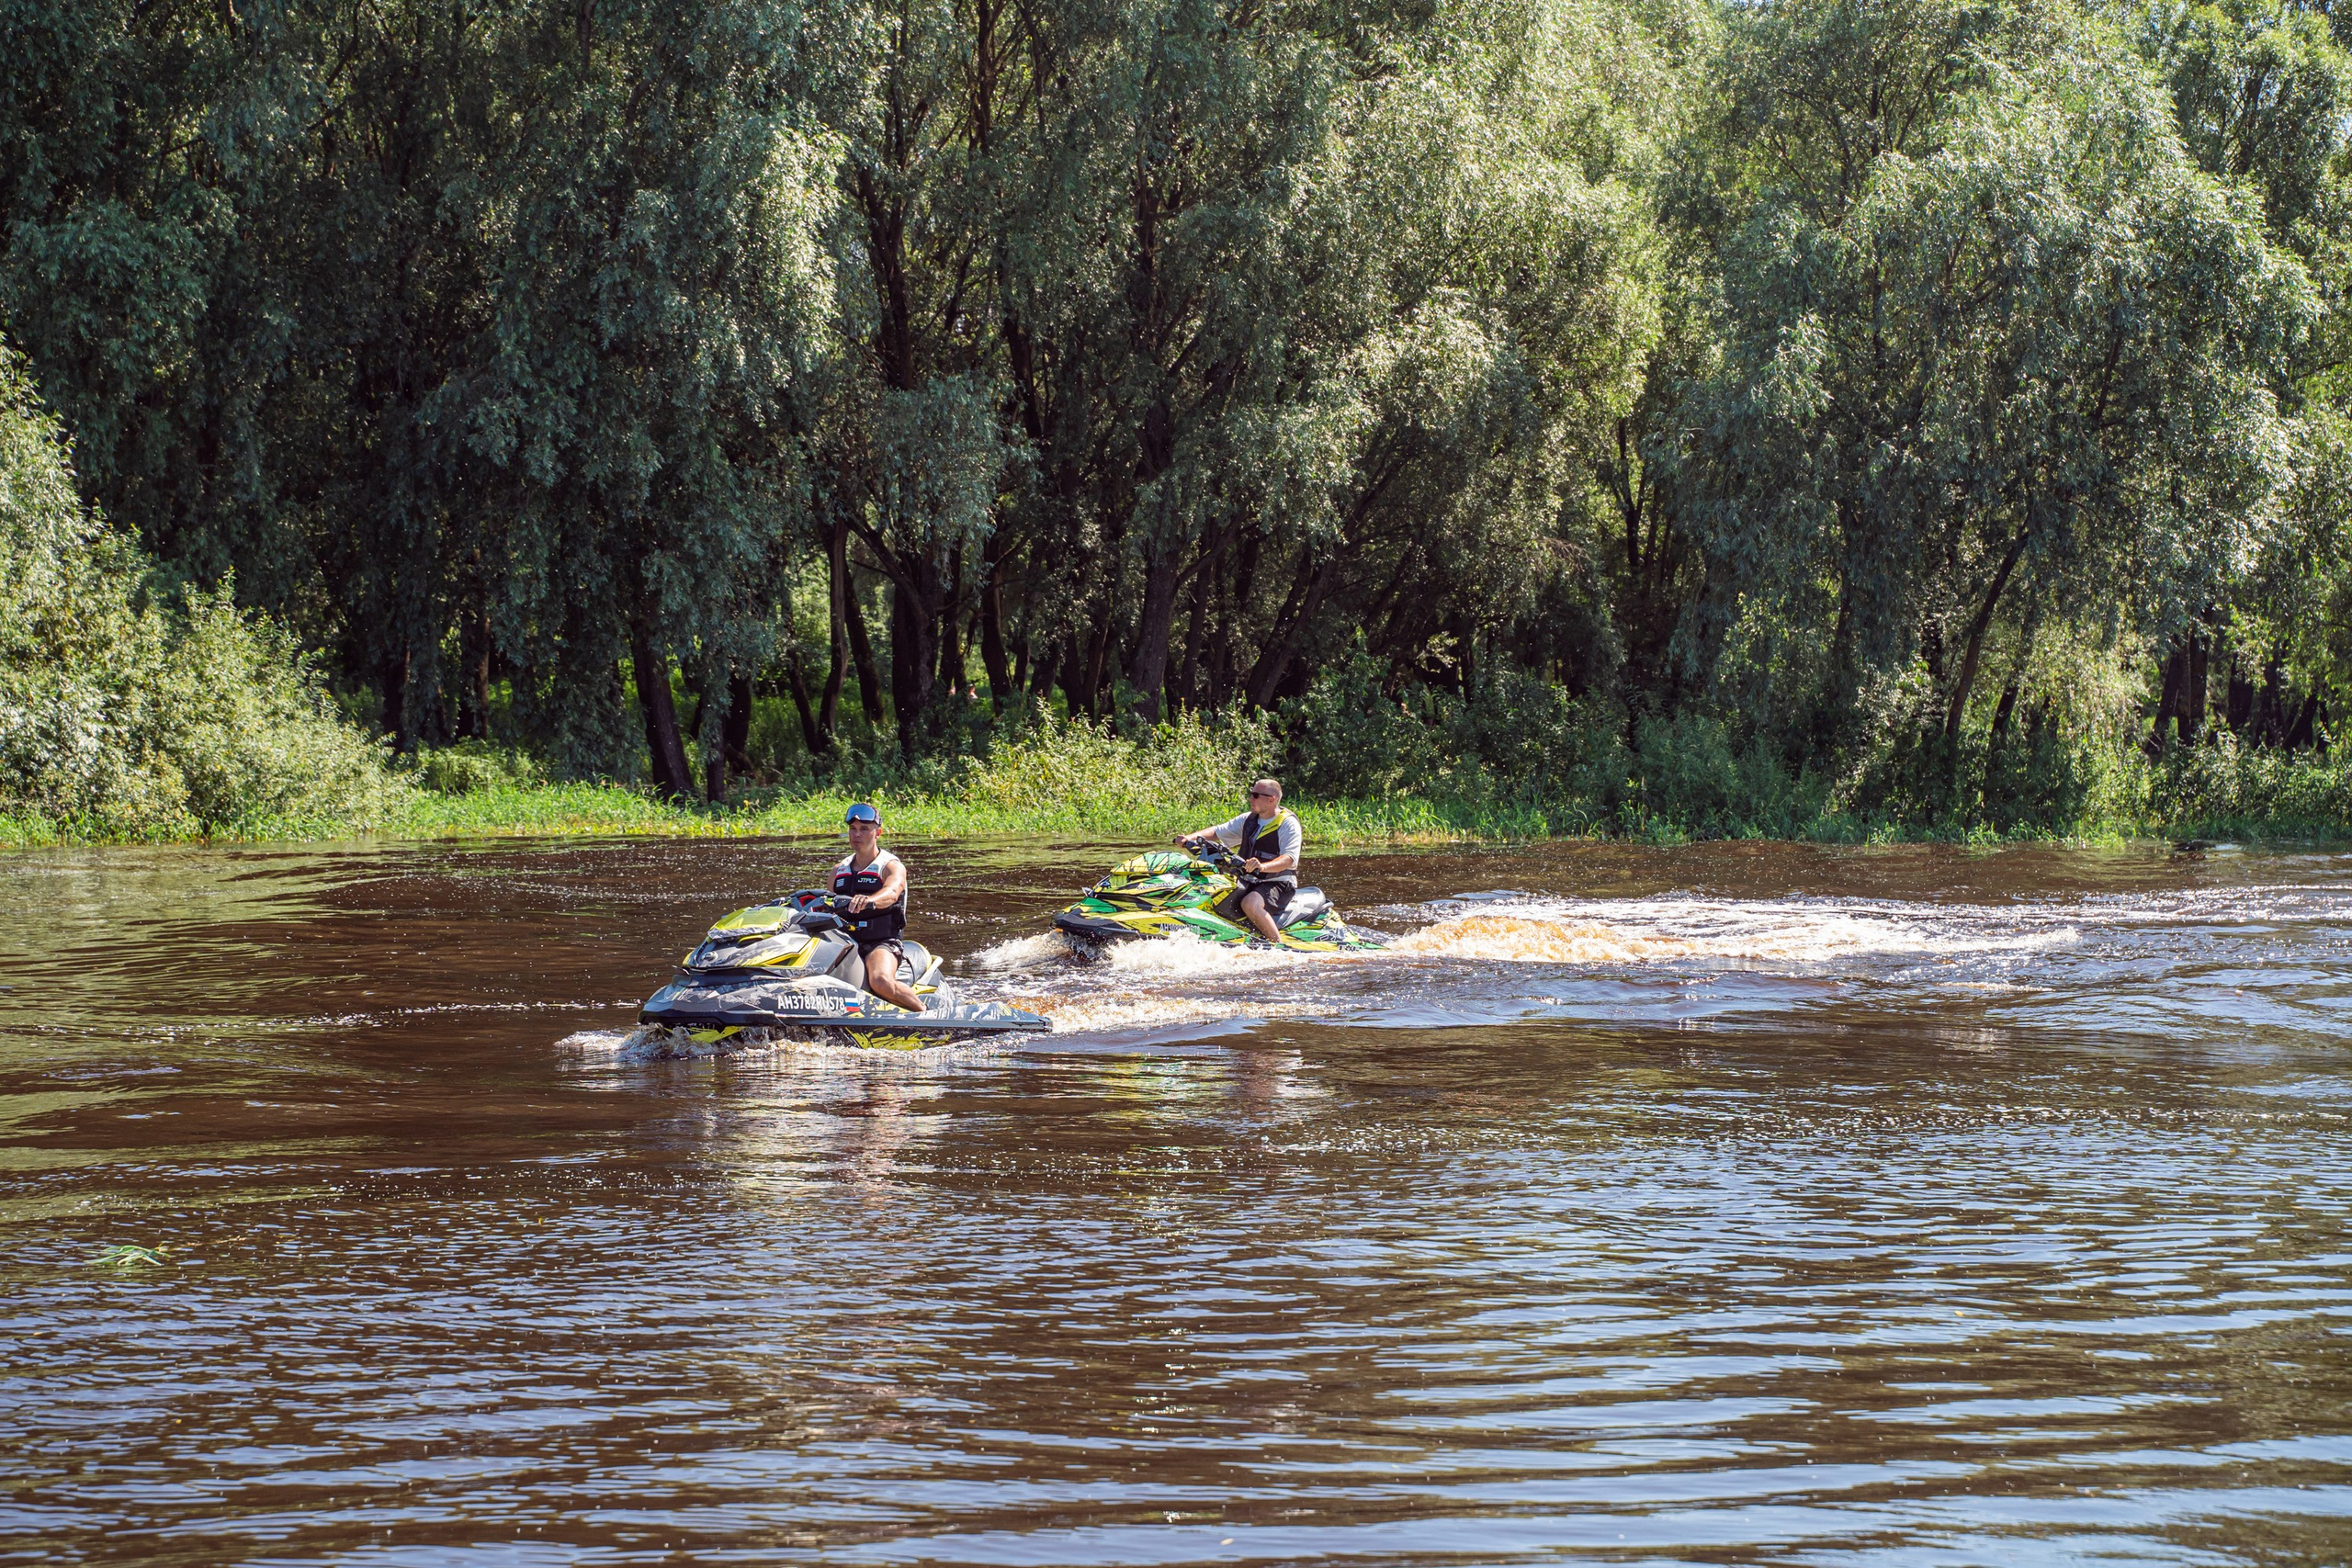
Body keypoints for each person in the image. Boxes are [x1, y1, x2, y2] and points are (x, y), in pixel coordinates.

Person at [1174, 778, 1300, 944]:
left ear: (1272, 799)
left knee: (1250, 903)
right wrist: (1189, 838)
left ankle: (1278, 945)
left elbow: (1288, 859)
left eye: (1256, 795)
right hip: (1248, 879)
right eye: (1251, 794)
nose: (1251, 799)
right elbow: (1217, 832)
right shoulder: (1249, 819)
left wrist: (1262, 866)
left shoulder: (1288, 824)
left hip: (1278, 882)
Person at [832, 802, 924, 1012]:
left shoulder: (890, 866)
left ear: (878, 833)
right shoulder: (838, 870)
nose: (857, 834)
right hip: (845, 942)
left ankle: (926, 1015)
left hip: (881, 942)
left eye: (864, 829)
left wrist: (869, 900)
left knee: (880, 980)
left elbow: (892, 892)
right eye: (853, 829)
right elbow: (828, 903)